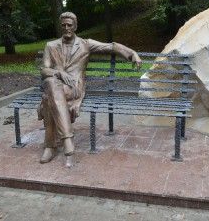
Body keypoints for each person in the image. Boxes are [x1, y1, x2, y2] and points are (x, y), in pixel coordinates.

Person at [37, 12, 142, 167]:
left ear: (75, 26)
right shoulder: (50, 46)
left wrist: (132, 53)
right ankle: (67, 143)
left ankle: (50, 146)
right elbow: (44, 70)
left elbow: (111, 46)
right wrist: (58, 73)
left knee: (49, 95)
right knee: (51, 91)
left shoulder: (85, 44)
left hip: (74, 88)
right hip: (56, 85)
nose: (67, 28)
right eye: (64, 25)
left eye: (70, 25)